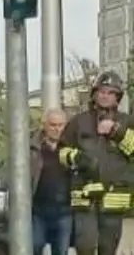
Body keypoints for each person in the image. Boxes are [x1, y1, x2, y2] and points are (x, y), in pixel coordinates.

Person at [58, 72, 134, 255]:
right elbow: (61, 151)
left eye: (110, 92)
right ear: (94, 94)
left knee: (108, 249)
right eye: (101, 91)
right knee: (85, 246)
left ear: (117, 97)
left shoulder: (128, 122)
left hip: (114, 199)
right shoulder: (78, 122)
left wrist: (117, 131)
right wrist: (75, 157)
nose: (105, 95)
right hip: (85, 197)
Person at [31, 108, 70, 255]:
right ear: (45, 125)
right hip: (39, 210)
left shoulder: (71, 147)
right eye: (53, 125)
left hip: (64, 211)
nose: (57, 129)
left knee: (61, 250)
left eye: (61, 125)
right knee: (35, 246)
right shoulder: (34, 148)